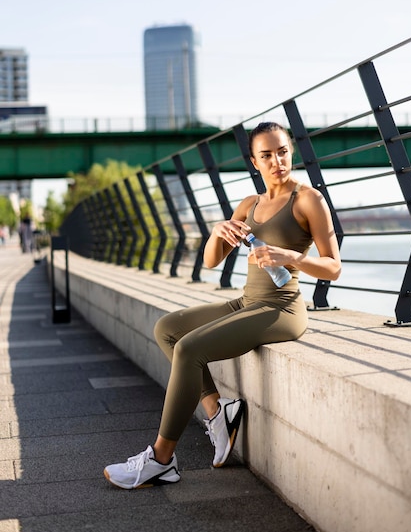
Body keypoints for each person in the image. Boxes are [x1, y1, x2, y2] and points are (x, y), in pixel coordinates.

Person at [104, 121, 341, 489]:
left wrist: (289, 256)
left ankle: (161, 459)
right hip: (248, 302)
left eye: (282, 151)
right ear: (254, 161)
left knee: (189, 348)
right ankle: (217, 413)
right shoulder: (250, 204)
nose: (277, 161)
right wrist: (217, 231)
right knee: (167, 329)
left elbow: (334, 267)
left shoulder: (308, 199)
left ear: (291, 152)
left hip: (283, 309)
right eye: (267, 155)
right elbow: (213, 260)